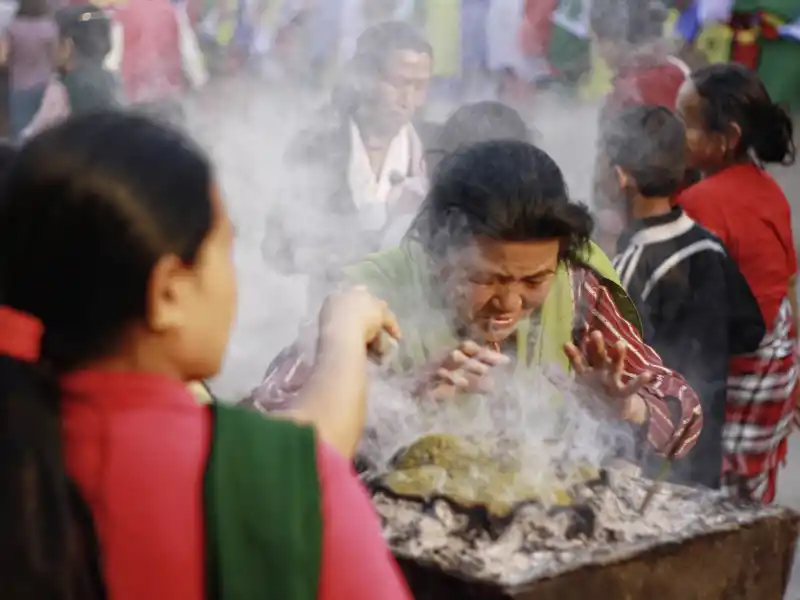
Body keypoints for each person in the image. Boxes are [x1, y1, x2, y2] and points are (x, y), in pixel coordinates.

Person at [0, 112, 412, 600]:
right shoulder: (283, 485)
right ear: (168, 294)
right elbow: (301, 459)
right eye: (224, 250)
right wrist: (343, 331)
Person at [247, 140, 703, 460]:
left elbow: (684, 417)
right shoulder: (371, 298)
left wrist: (624, 406)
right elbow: (258, 432)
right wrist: (402, 403)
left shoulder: (576, 286)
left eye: (533, 280)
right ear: (437, 253)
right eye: (485, 278)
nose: (509, 302)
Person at [601, 105, 764, 487]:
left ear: (619, 176)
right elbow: (750, 330)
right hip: (704, 448)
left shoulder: (632, 264)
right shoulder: (708, 245)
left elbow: (615, 358)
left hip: (651, 461)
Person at [674, 63, 798, 503]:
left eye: (685, 123)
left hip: (740, 370)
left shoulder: (700, 203)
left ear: (725, 138)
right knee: (748, 491)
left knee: (715, 497)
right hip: (776, 360)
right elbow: (787, 284)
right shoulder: (767, 188)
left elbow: (682, 309)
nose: (673, 133)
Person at [263, 21, 432, 290]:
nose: (408, 99)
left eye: (419, 87)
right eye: (398, 83)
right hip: (326, 309)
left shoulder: (431, 154)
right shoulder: (318, 146)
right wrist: (339, 254)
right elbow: (276, 250)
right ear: (364, 78)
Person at [590, 0, 691, 255]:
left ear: (617, 39)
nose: (598, 51)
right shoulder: (679, 71)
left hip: (641, 218)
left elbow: (611, 161)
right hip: (683, 207)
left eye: (599, 41)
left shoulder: (626, 90)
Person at [22, 5, 121, 139]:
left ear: (67, 46)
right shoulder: (112, 79)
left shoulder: (64, 88)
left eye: (53, 41)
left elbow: (36, 136)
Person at [0, 0, 57, 139]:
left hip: (19, 84)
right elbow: (56, 58)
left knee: (20, 127)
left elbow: (2, 58)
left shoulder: (13, 27)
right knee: (45, 127)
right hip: (45, 84)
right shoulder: (50, 27)